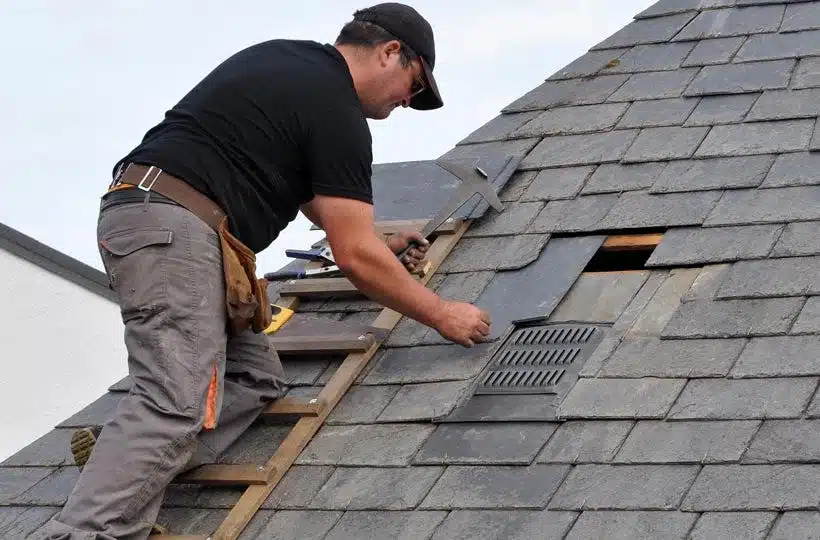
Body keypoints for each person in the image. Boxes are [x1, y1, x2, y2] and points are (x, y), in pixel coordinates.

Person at [37, 3, 491, 539]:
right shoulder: (337, 109)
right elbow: (353, 257)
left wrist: (380, 240)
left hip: (161, 220)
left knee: (254, 378)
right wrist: (442, 313)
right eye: (412, 88)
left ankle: (117, 463)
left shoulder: (285, 63)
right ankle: (86, 531)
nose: (404, 105)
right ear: (392, 52)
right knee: (174, 401)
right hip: (177, 231)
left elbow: (318, 203)